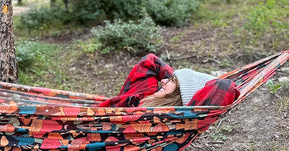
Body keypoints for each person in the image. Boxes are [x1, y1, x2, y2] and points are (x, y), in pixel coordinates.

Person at [99, 53, 239, 108]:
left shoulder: (165, 121)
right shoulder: (145, 95)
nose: (163, 81)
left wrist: (184, 84)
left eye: (171, 80)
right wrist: (180, 79)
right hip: (83, 118)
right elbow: (151, 61)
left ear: (180, 94)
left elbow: (225, 87)